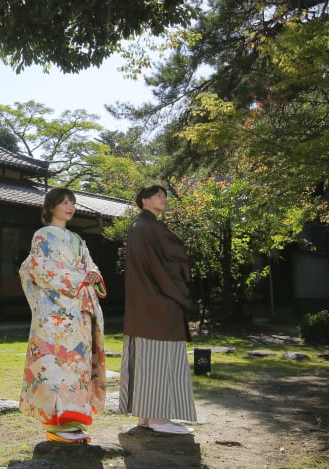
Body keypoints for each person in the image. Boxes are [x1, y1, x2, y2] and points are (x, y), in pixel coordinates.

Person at [19, 187, 108, 445]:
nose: (70, 207)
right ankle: (55, 424)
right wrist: (81, 278)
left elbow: (89, 264)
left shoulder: (78, 240)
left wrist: (92, 274)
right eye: (64, 202)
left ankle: (73, 419)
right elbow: (41, 267)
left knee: (76, 367)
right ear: (51, 207)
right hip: (54, 314)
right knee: (55, 365)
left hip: (78, 310)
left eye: (73, 202)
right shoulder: (42, 236)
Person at [117, 184, 198, 435]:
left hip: (145, 304)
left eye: (165, 195)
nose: (164, 199)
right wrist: (179, 291)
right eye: (158, 195)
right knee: (160, 358)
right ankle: (160, 419)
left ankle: (146, 417)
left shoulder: (139, 227)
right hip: (158, 303)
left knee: (146, 359)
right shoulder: (149, 227)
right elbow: (168, 263)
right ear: (144, 201)